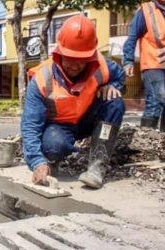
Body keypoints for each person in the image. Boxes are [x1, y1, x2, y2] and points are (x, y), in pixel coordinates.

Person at [21, 14, 125, 189]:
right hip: (59, 127)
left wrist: (113, 85)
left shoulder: (101, 65)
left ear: (90, 57)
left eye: (82, 61)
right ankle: (52, 161)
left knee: (115, 101)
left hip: (88, 119)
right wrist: (37, 162)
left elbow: (119, 76)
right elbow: (30, 126)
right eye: (70, 59)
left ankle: (97, 167)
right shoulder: (42, 79)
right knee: (54, 145)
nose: (75, 66)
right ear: (59, 53)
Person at [123, 0, 165, 131]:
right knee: (155, 101)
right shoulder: (146, 11)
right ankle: (146, 140)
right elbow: (132, 36)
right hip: (153, 64)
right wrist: (128, 60)